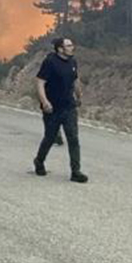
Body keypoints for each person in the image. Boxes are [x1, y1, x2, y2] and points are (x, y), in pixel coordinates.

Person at [32, 37, 88, 183]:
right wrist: (44, 102)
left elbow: (75, 80)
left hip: (69, 106)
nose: (72, 48)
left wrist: (79, 95)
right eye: (68, 46)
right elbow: (40, 82)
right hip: (52, 108)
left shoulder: (72, 62)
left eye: (72, 45)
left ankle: (76, 171)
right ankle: (39, 161)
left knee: (73, 138)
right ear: (60, 49)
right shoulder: (50, 62)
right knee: (50, 137)